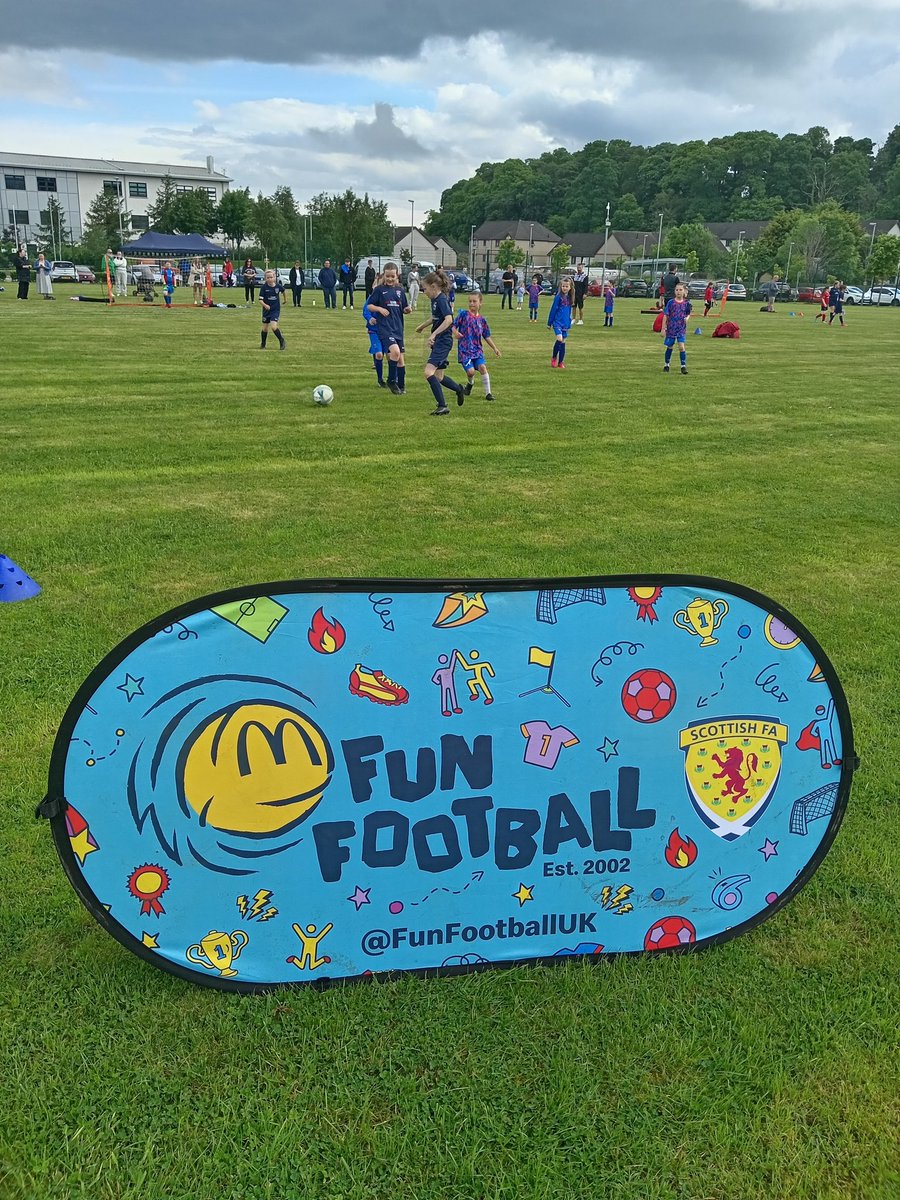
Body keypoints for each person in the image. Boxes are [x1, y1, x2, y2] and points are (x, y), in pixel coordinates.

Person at [416, 269, 466, 416]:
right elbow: (435, 318)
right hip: (440, 341)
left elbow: (448, 320)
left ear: (433, 286)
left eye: (424, 289)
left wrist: (434, 334)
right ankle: (459, 389)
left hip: (443, 341)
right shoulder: (435, 300)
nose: (423, 292)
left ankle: (442, 406)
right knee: (438, 376)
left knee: (428, 372)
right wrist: (422, 326)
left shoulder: (442, 300)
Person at [366, 261, 410, 393]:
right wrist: (379, 309)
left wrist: (407, 309)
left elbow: (404, 307)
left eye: (393, 276)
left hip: (398, 328)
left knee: (401, 360)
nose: (390, 279)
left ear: (397, 276)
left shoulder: (400, 291)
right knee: (395, 353)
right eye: (388, 276)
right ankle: (391, 381)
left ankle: (401, 386)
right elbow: (369, 306)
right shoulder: (379, 290)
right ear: (383, 276)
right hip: (385, 328)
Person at [453, 291, 501, 401]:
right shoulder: (463, 315)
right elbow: (453, 326)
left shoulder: (482, 320)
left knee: (483, 368)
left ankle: (488, 393)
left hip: (477, 350)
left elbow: (486, 336)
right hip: (464, 350)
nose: (472, 303)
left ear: (480, 303)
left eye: (474, 301)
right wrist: (455, 333)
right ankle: (470, 384)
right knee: (471, 372)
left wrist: (495, 348)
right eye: (470, 301)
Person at [662, 281, 692, 374]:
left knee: (681, 347)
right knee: (670, 346)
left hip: (681, 329)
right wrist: (663, 328)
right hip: (671, 328)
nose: (678, 292)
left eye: (680, 290)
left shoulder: (686, 303)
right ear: (675, 291)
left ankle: (683, 366)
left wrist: (687, 318)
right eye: (677, 290)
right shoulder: (671, 302)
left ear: (684, 291)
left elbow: (688, 313)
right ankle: (667, 364)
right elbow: (666, 315)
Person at [363, 275, 386, 387]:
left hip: (388, 330)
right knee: (379, 354)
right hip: (374, 331)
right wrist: (370, 318)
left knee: (393, 355)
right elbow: (365, 311)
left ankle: (394, 379)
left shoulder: (389, 296)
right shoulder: (372, 298)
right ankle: (380, 380)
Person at [547, 277, 574, 368]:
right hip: (557, 322)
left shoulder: (570, 298)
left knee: (563, 342)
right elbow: (553, 309)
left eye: (566, 286)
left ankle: (561, 362)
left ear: (570, 287)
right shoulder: (558, 297)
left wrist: (569, 321)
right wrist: (549, 322)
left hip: (565, 323)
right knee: (559, 339)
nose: (564, 288)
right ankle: (554, 358)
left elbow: (569, 311)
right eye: (563, 286)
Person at [259, 268, 287, 350]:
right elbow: (260, 300)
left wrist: (285, 300)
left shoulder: (278, 286)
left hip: (275, 310)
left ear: (274, 277)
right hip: (266, 311)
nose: (270, 279)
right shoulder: (264, 288)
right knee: (265, 328)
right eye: (268, 278)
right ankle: (263, 344)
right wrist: (265, 305)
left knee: (273, 326)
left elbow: (284, 291)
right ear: (265, 278)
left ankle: (281, 341)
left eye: (271, 277)